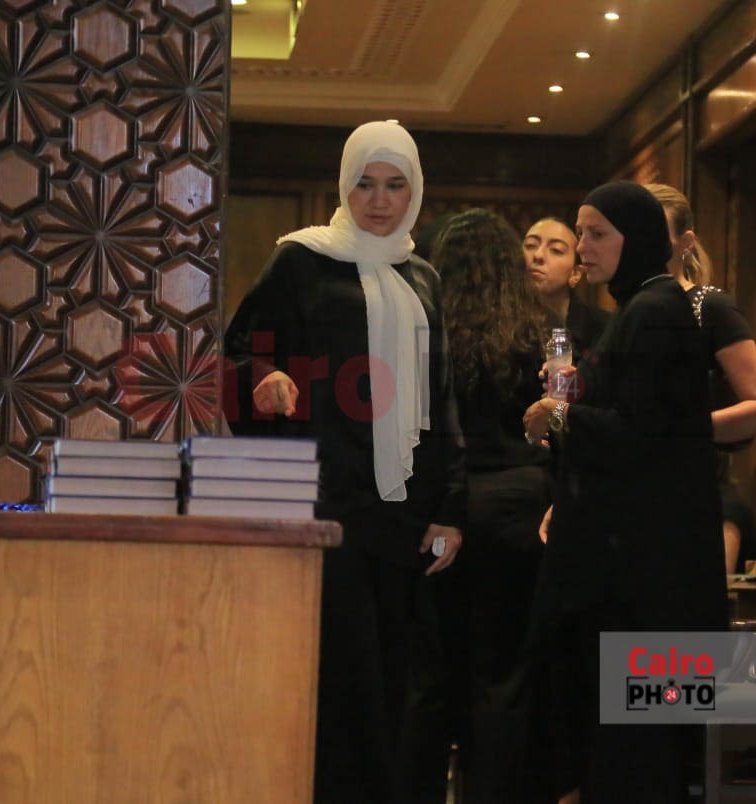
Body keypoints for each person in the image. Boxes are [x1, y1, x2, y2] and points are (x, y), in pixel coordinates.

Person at [223, 120, 466, 804]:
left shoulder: (422, 276)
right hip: (324, 500)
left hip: (404, 512)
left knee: (396, 681)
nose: (379, 200)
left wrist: (451, 507)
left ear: (415, 192)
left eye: (395, 185)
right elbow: (239, 352)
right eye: (365, 183)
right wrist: (265, 378)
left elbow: (441, 396)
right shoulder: (301, 261)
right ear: (343, 186)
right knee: (336, 676)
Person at [523, 181, 728, 803]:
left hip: (647, 575)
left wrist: (557, 415)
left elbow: (640, 432)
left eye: (596, 234)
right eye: (581, 232)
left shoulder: (652, 311)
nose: (583, 246)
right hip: (648, 568)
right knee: (634, 742)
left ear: (635, 238)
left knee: (639, 749)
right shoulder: (645, 306)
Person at [414, 208, 552, 803]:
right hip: (520, 505)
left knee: (429, 674)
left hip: (442, 506)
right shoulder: (538, 333)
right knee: (503, 678)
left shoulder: (424, 333)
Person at [645, 183, 756, 572]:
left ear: (685, 242)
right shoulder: (626, 312)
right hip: (633, 492)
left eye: (655, 232)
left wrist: (681, 430)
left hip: (692, 490)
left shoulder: (709, 307)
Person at [522, 217, 611, 361]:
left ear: (575, 274)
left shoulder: (603, 330)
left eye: (556, 250)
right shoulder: (498, 323)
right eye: (530, 245)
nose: (538, 255)